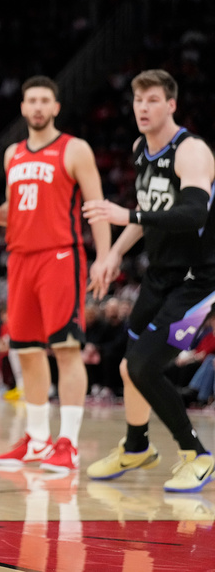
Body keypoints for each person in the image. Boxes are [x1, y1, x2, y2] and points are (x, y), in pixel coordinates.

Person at [82, 68, 215, 492]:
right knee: (128, 367)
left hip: (197, 280)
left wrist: (129, 216)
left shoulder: (191, 151)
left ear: (171, 104)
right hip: (159, 276)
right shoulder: (142, 148)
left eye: (153, 99)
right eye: (138, 99)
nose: (143, 107)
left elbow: (194, 212)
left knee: (143, 366)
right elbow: (147, 207)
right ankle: (137, 446)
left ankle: (196, 453)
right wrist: (113, 254)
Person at [0, 75, 111, 475]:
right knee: (27, 351)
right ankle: (37, 441)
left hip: (60, 258)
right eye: (31, 100)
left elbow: (97, 206)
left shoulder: (75, 149)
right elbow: (18, 207)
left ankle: (67, 443)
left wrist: (105, 256)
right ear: (22, 108)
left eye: (44, 101)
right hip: (19, 259)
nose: (37, 107)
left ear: (56, 107)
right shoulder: (12, 154)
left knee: (67, 349)